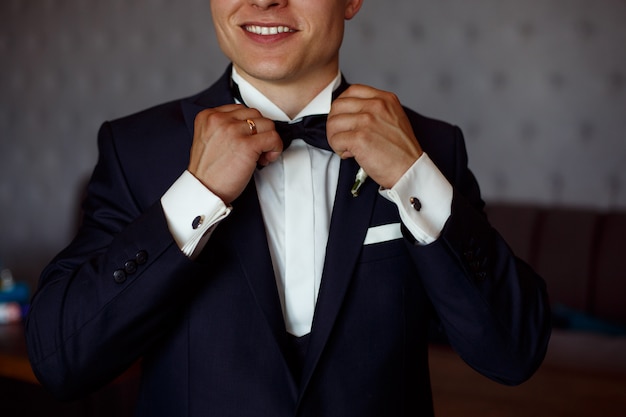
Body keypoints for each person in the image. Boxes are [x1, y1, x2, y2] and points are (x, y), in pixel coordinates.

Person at [25, 0, 551, 415]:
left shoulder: (433, 147)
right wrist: (198, 193)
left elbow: (514, 352)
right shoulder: (135, 150)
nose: (264, 0)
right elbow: (60, 360)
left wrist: (414, 178)